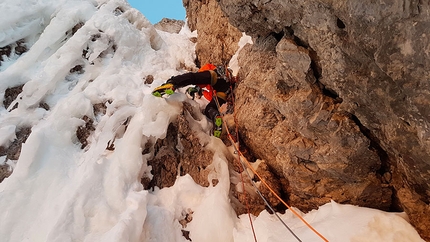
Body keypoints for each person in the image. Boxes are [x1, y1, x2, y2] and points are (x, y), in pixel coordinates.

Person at [152, 63, 232, 138]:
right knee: (210, 108)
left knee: (192, 78)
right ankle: (215, 116)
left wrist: (197, 87)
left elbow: (200, 76)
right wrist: (203, 91)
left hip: (217, 75)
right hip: (225, 89)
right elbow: (211, 96)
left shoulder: (210, 67)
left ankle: (172, 83)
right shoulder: (210, 88)